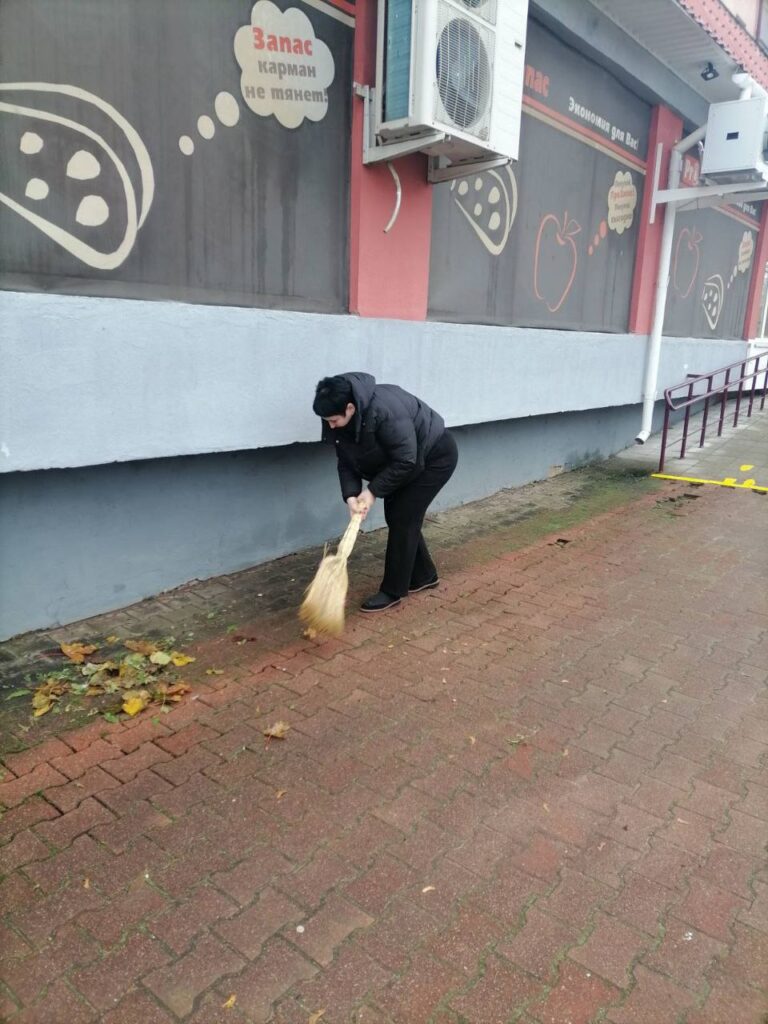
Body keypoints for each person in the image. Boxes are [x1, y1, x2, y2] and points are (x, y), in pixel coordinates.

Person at [313, 372, 458, 612]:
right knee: (401, 516)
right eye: (326, 420)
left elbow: (406, 459)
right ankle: (424, 576)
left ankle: (393, 590)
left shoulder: (384, 410)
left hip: (435, 456)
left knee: (402, 516)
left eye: (334, 420)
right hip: (408, 460)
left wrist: (371, 492)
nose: (330, 426)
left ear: (350, 408)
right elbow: (346, 460)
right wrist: (351, 496)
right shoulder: (335, 412)